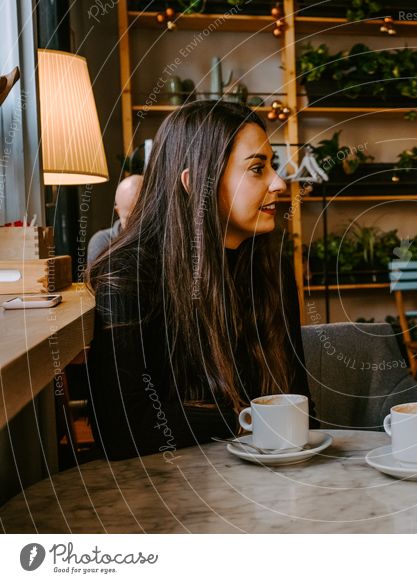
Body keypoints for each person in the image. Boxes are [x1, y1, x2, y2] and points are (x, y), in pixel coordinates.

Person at [87, 101, 314, 460]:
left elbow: (300, 403)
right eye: (257, 168)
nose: (279, 182)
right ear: (196, 183)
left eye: (272, 165)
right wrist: (245, 420)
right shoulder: (129, 276)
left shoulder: (270, 268)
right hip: (162, 496)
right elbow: (123, 430)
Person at [87, 174, 142, 264]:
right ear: (118, 211)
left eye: (142, 218)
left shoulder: (162, 239)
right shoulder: (104, 241)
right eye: (129, 220)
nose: (138, 226)